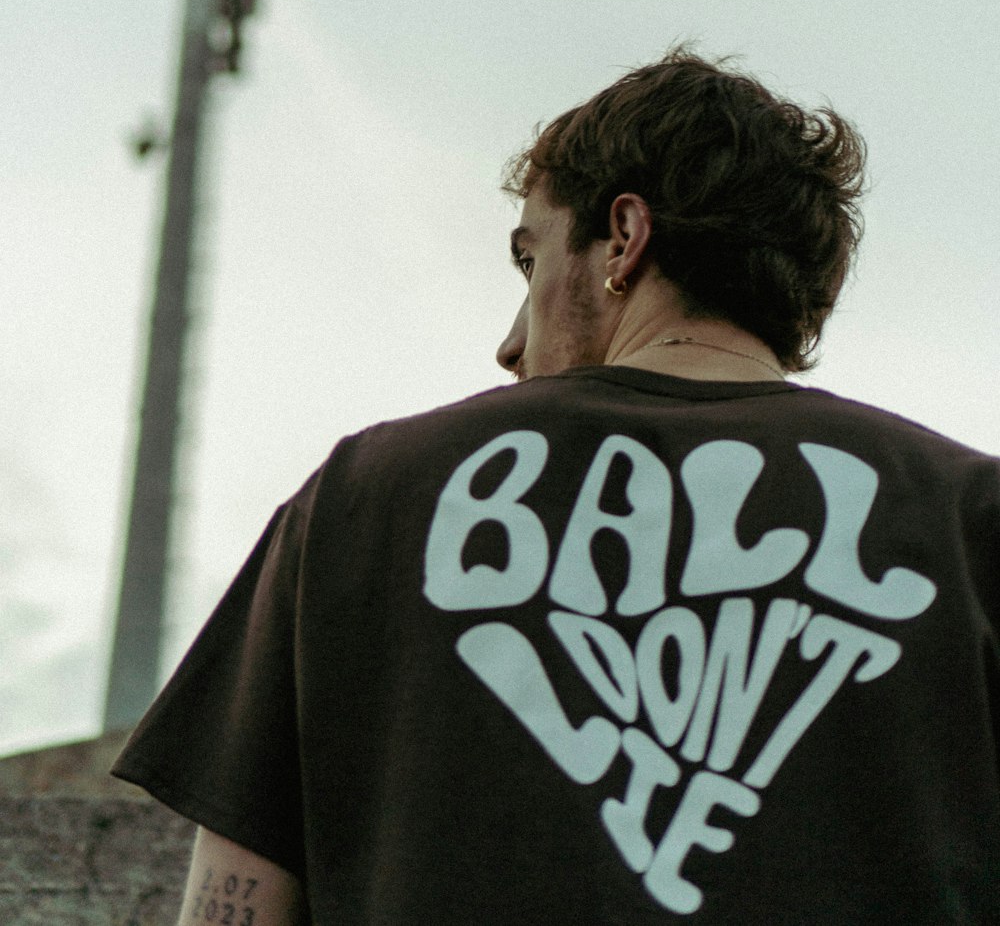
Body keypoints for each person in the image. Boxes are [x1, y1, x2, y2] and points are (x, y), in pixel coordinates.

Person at [112, 47, 1000, 924]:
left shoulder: (362, 498)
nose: (508, 343)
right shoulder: (972, 518)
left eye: (529, 263)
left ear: (625, 237)